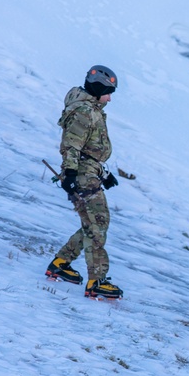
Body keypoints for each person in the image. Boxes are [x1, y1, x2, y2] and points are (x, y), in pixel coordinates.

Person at [45, 65, 124, 299]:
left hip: (89, 172)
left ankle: (61, 263)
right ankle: (96, 281)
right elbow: (71, 144)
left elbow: (88, 147)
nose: (110, 97)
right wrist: (69, 175)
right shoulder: (83, 111)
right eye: (108, 91)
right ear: (99, 88)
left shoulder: (92, 109)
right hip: (82, 175)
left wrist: (103, 173)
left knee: (93, 224)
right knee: (98, 224)